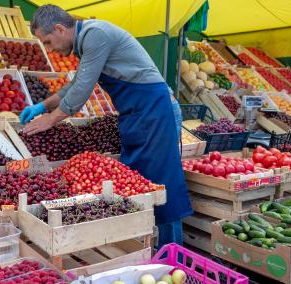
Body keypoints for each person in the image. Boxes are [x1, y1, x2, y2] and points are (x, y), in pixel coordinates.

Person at [21, 5, 192, 247]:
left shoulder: (95, 35)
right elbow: (76, 83)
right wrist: (43, 106)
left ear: (60, 28)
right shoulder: (87, 41)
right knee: (138, 184)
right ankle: (145, 248)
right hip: (138, 116)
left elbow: (82, 89)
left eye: (48, 42)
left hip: (156, 112)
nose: (50, 50)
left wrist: (50, 119)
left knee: (162, 182)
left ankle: (172, 252)